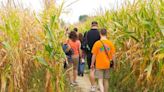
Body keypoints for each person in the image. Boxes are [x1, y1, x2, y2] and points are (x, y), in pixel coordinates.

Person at [83, 21, 100, 91]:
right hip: (99, 54)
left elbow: (84, 44)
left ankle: (93, 87)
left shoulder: (87, 33)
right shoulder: (99, 33)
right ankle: (100, 85)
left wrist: (86, 53)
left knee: (92, 70)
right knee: (99, 70)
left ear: (91, 25)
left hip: (90, 54)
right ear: (97, 25)